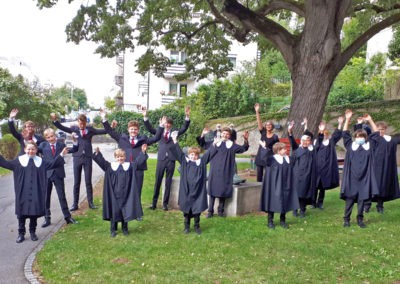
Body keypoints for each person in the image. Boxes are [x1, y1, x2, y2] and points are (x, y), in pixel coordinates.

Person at [0, 141, 69, 243]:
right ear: (25, 150)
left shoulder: (41, 162)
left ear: (36, 150)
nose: (30, 151)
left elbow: (53, 164)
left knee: (34, 212)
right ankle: (21, 233)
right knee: (21, 214)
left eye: (33, 149)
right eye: (28, 149)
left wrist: (62, 154)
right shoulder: (18, 161)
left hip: (36, 191)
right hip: (22, 191)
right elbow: (5, 163)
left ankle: (32, 232)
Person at [100, 110, 165, 209]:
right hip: (124, 169)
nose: (133, 131)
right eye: (131, 129)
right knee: (124, 190)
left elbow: (156, 138)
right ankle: (125, 208)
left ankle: (136, 211)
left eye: (135, 129)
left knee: (137, 190)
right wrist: (104, 119)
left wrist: (161, 126)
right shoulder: (122, 138)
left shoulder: (143, 139)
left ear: (138, 130)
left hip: (138, 169)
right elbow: (110, 131)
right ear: (128, 129)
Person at [51, 112, 107, 211]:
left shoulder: (90, 130)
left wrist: (110, 125)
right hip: (77, 157)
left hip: (87, 158)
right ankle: (75, 204)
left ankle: (91, 203)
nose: (81, 124)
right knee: (76, 182)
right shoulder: (74, 129)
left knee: (88, 181)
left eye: (83, 123)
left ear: (86, 122)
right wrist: (55, 120)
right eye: (80, 123)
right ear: (78, 122)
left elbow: (103, 131)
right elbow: (63, 127)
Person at [93, 146, 148, 237]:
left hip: (126, 193)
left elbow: (138, 162)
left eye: (122, 156)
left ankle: (124, 228)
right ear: (115, 158)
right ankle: (113, 229)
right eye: (118, 157)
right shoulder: (110, 167)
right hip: (113, 194)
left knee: (125, 210)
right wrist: (98, 153)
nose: (120, 158)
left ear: (124, 157)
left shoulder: (129, 166)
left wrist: (143, 152)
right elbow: (101, 161)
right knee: (114, 211)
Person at [143, 106, 191, 211]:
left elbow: (184, 128)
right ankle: (154, 203)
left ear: (171, 125)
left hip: (171, 160)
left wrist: (187, 117)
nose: (167, 125)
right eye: (166, 123)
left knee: (168, 182)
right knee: (158, 181)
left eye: (169, 123)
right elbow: (150, 128)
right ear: (163, 124)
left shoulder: (174, 133)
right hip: (161, 160)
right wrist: (145, 117)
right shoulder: (159, 132)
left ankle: (165, 204)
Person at [169, 132, 217, 234]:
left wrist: (215, 143)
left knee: (197, 210)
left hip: (198, 192)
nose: (193, 156)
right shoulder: (185, 162)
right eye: (191, 154)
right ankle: (186, 227)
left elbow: (208, 154)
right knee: (186, 211)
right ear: (188, 155)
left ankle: (197, 226)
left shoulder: (202, 163)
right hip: (186, 191)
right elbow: (178, 152)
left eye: (195, 155)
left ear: (198, 156)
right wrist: (174, 140)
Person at [341, 110, 379, 228]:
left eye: (362, 136)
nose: (360, 138)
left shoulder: (369, 146)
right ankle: (346, 219)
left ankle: (360, 219)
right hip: (352, 177)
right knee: (350, 200)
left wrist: (370, 120)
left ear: (365, 138)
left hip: (365, 178)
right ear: (355, 137)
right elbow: (345, 133)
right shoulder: (350, 146)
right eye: (358, 136)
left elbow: (376, 133)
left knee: (362, 199)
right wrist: (347, 119)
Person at [38, 128, 79, 227]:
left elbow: (74, 149)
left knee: (62, 196)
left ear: (55, 136)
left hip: (58, 174)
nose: (51, 138)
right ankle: (47, 218)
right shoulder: (42, 145)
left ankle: (67, 217)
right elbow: (32, 150)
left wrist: (75, 141)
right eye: (48, 137)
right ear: (46, 138)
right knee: (46, 197)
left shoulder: (61, 145)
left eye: (52, 136)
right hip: (46, 174)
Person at [206, 127, 249, 218]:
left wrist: (246, 140)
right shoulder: (215, 143)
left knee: (223, 190)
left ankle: (221, 211)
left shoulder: (232, 145)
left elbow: (243, 149)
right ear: (221, 134)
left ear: (229, 136)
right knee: (212, 190)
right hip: (214, 170)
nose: (225, 135)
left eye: (227, 134)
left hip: (226, 171)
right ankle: (210, 211)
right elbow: (207, 153)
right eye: (223, 133)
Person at [363, 117, 400, 213]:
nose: (380, 131)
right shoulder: (373, 139)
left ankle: (380, 205)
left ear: (385, 129)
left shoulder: (391, 140)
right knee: (371, 185)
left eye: (382, 129)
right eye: (378, 129)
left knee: (383, 185)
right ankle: (367, 205)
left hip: (387, 167)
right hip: (374, 166)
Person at [261, 142, 299, 229]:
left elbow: (295, 157)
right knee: (272, 202)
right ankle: (270, 221)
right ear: (278, 151)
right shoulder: (272, 159)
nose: (286, 150)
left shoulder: (288, 159)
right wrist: (264, 148)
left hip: (286, 184)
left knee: (285, 201)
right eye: (284, 149)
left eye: (285, 148)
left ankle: (283, 220)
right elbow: (264, 159)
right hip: (275, 185)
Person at [288, 119, 317, 218]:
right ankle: (295, 209)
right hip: (297, 175)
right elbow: (292, 141)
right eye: (303, 140)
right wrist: (290, 132)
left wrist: (307, 126)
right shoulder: (297, 150)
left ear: (310, 141)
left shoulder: (312, 150)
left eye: (307, 140)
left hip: (307, 175)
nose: (305, 142)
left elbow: (318, 140)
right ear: (301, 141)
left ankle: (302, 210)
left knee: (304, 193)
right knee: (296, 193)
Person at [312, 117, 343, 209]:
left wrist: (340, 124)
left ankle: (320, 203)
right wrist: (320, 133)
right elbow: (315, 148)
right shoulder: (317, 142)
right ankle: (313, 202)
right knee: (315, 186)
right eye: (323, 134)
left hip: (326, 167)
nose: (324, 135)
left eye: (326, 134)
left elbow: (337, 135)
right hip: (317, 167)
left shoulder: (331, 142)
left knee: (322, 186)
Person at [254, 103, 279, 182]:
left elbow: (277, 148)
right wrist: (257, 112)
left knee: (268, 176)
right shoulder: (263, 133)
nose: (268, 126)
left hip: (268, 158)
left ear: (272, 127)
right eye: (267, 125)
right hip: (260, 156)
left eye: (270, 125)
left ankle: (267, 189)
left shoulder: (275, 137)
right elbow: (259, 123)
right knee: (259, 176)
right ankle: (258, 190)